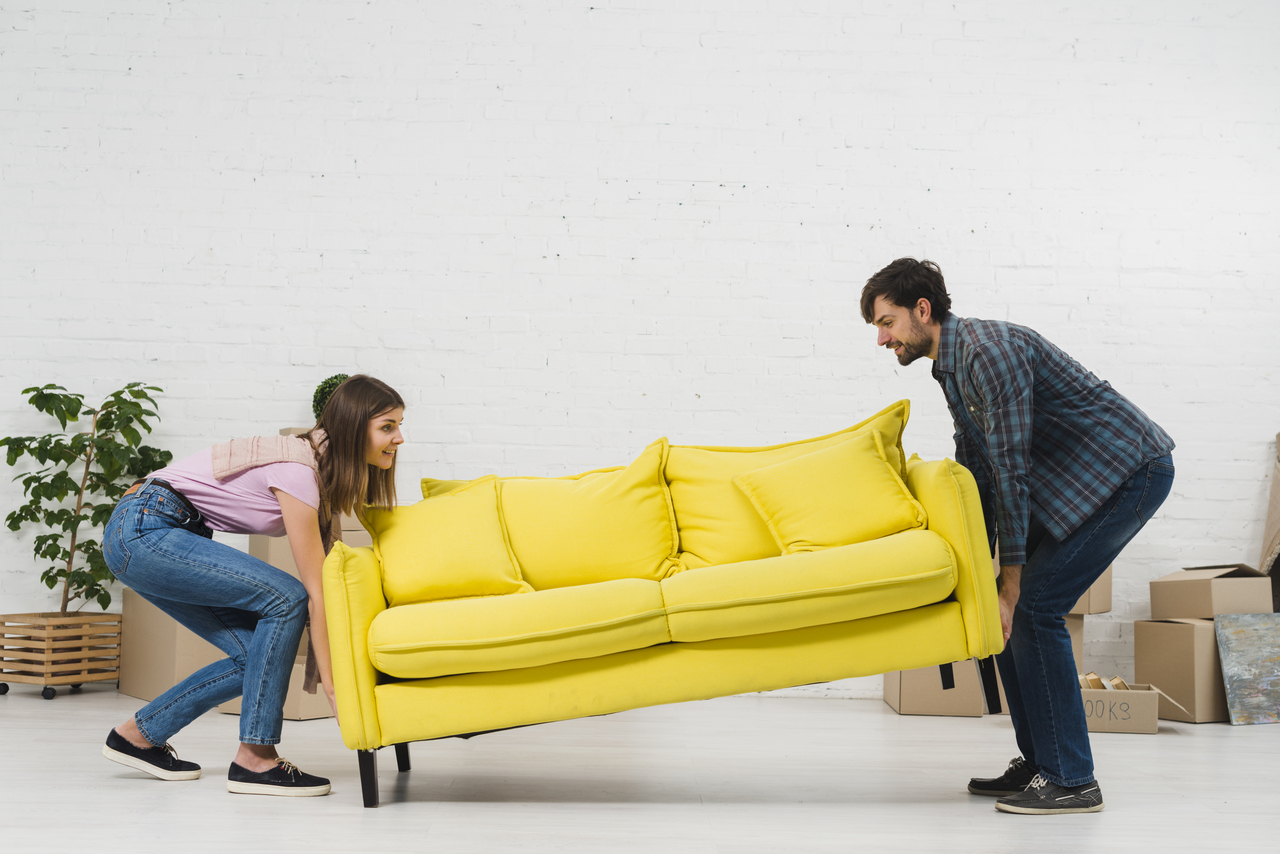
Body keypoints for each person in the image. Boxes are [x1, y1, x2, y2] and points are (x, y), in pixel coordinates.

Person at [861, 259, 1174, 815]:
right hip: (1083, 480)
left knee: (1032, 607)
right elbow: (977, 465)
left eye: (886, 322)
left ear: (922, 310)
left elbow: (1011, 471)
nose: (882, 338)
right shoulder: (949, 364)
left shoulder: (987, 352)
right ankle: (1040, 765)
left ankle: (1073, 779)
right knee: (1003, 612)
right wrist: (977, 572)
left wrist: (1010, 584)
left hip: (1128, 472)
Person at [100, 375, 405, 797]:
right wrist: (334, 686)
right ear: (355, 427)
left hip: (155, 532)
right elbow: (315, 589)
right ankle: (256, 759)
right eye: (388, 426)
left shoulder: (312, 468)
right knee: (288, 597)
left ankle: (138, 735)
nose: (400, 438)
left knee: (256, 656)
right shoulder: (299, 471)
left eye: (399, 425)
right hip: (146, 529)